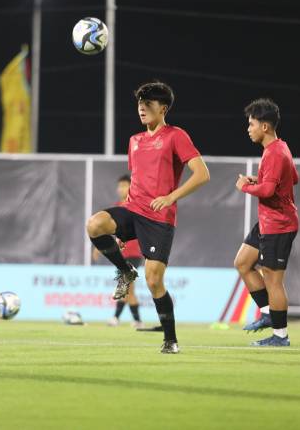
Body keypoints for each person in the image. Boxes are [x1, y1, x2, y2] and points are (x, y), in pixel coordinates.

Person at [86, 81, 210, 353]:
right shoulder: (134, 141)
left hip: (159, 217)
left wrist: (171, 197)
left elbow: (202, 174)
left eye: (148, 104)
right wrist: (120, 231)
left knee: (154, 281)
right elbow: (138, 183)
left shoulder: (176, 136)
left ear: (163, 108)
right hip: (133, 209)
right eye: (140, 104)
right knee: (95, 224)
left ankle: (171, 340)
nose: (142, 108)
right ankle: (125, 270)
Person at [234, 98, 299, 347]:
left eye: (251, 124)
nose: (248, 129)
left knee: (273, 280)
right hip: (267, 222)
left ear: (264, 127)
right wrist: (258, 178)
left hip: (280, 225)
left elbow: (269, 191)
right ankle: (267, 313)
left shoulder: (274, 153)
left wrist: (245, 187)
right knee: (243, 263)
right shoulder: (280, 148)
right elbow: (294, 178)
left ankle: (280, 336)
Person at [92, 175, 144, 328]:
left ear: (131, 187)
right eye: (119, 186)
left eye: (123, 185)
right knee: (127, 288)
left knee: (125, 285)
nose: (120, 188)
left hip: (134, 254)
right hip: (122, 254)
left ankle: (117, 318)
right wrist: (98, 247)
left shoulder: (136, 205)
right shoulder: (117, 206)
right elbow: (109, 231)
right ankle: (137, 321)